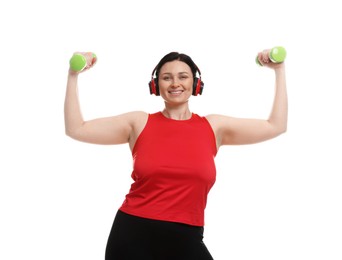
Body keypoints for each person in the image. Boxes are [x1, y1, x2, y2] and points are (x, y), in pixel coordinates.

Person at [64, 49, 287, 260]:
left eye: (183, 76)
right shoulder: (139, 123)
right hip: (132, 234)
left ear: (196, 83)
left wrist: (279, 70)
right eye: (166, 77)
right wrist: (73, 75)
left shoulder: (214, 127)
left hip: (187, 236)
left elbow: (276, 125)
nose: (175, 83)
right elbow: (76, 129)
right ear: (155, 84)